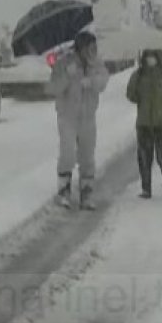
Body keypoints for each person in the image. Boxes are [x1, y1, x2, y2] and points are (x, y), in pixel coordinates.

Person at [49, 31, 109, 210]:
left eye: (94, 47)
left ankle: (87, 192)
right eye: (89, 47)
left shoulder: (96, 64)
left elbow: (104, 79)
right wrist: (67, 76)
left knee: (87, 155)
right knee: (67, 153)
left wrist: (91, 81)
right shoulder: (64, 63)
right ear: (81, 48)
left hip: (88, 116)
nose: (92, 51)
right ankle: (64, 191)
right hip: (67, 116)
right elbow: (53, 88)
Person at [126, 49, 162, 199]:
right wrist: (136, 78)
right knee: (144, 158)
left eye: (153, 58)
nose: (150, 60)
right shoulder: (139, 75)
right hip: (144, 123)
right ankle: (146, 188)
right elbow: (131, 95)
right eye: (147, 58)